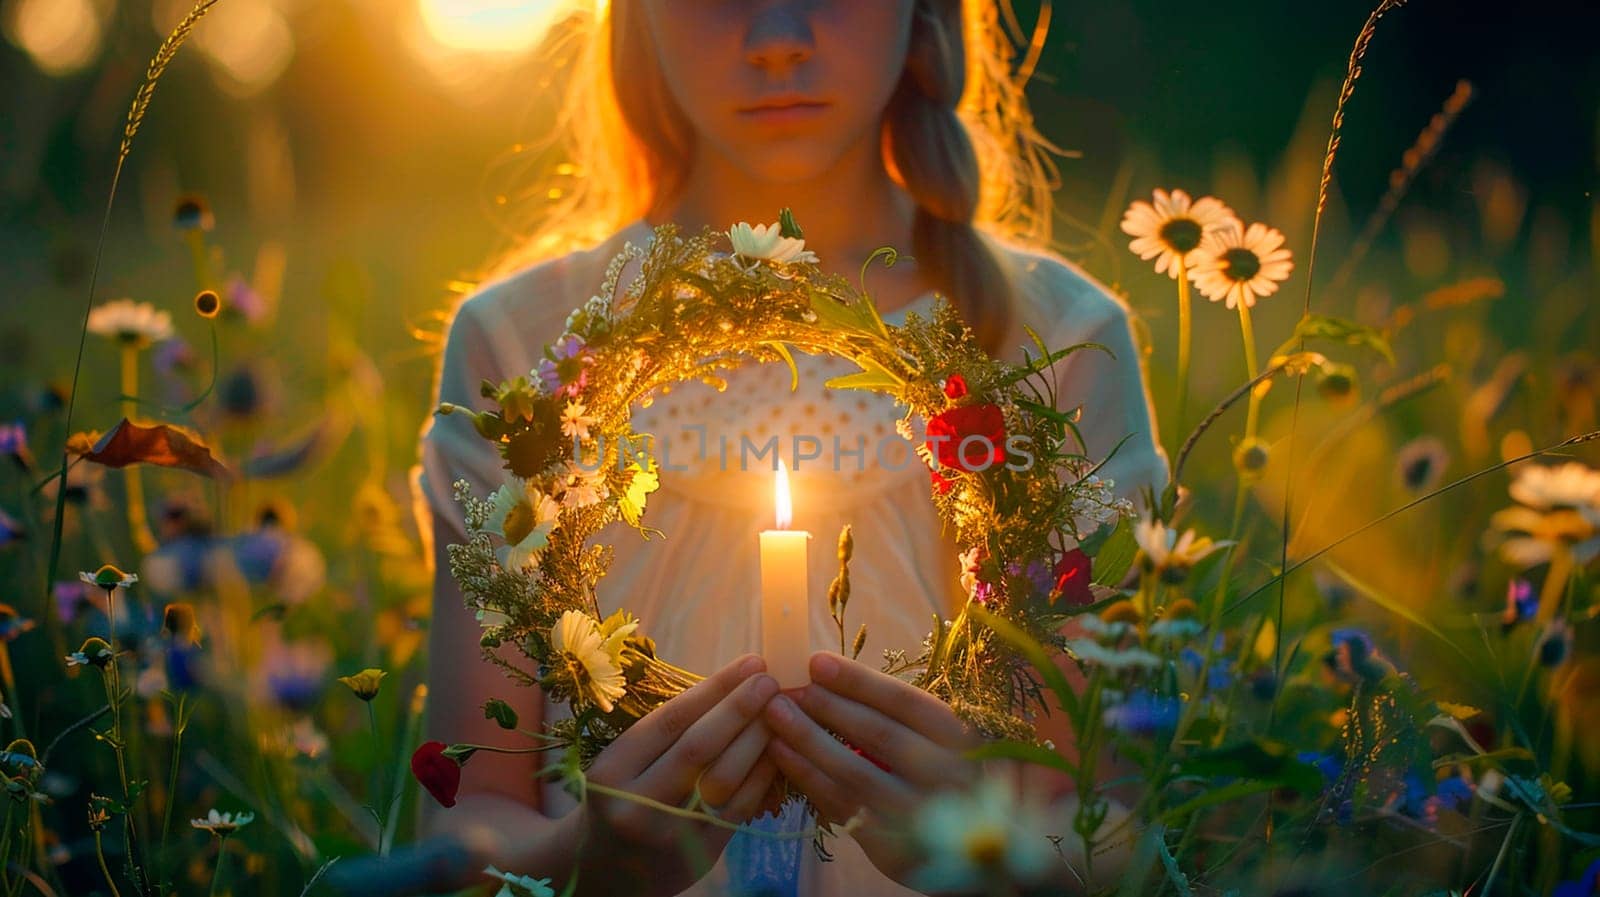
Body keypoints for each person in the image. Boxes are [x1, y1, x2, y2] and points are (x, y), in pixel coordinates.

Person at [407, 1, 1167, 894]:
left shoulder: (1052, 343)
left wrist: (982, 847)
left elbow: (1113, 825)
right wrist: (587, 856)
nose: (777, 39)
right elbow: (466, 819)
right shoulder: (524, 346)